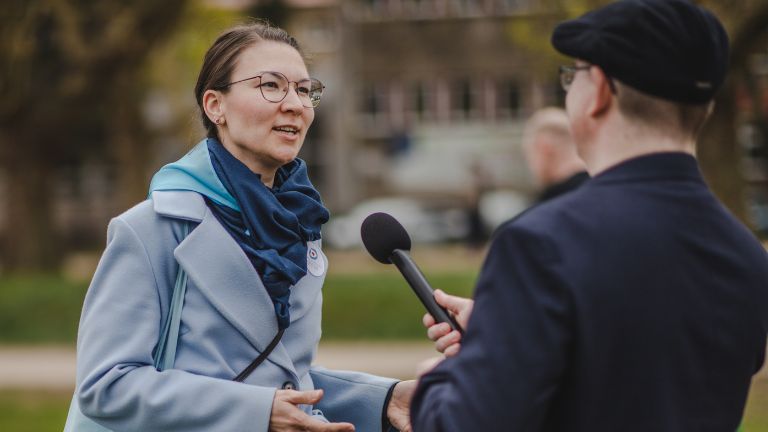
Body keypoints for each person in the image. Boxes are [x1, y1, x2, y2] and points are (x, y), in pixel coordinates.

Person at [411, 1, 768, 431]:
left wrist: (443, 379)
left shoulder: (542, 244)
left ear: (598, 90)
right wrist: (509, 329)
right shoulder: (747, 255)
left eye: (571, 75)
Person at [65, 22, 413, 432]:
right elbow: (106, 385)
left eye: (304, 90)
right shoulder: (150, 229)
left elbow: (272, 375)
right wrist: (256, 412)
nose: (295, 104)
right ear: (216, 106)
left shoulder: (302, 223)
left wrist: (382, 398)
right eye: (271, 85)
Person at [522, 107, 588, 203]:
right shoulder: (604, 189)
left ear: (544, 147)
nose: (531, 167)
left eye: (529, 156)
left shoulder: (551, 204)